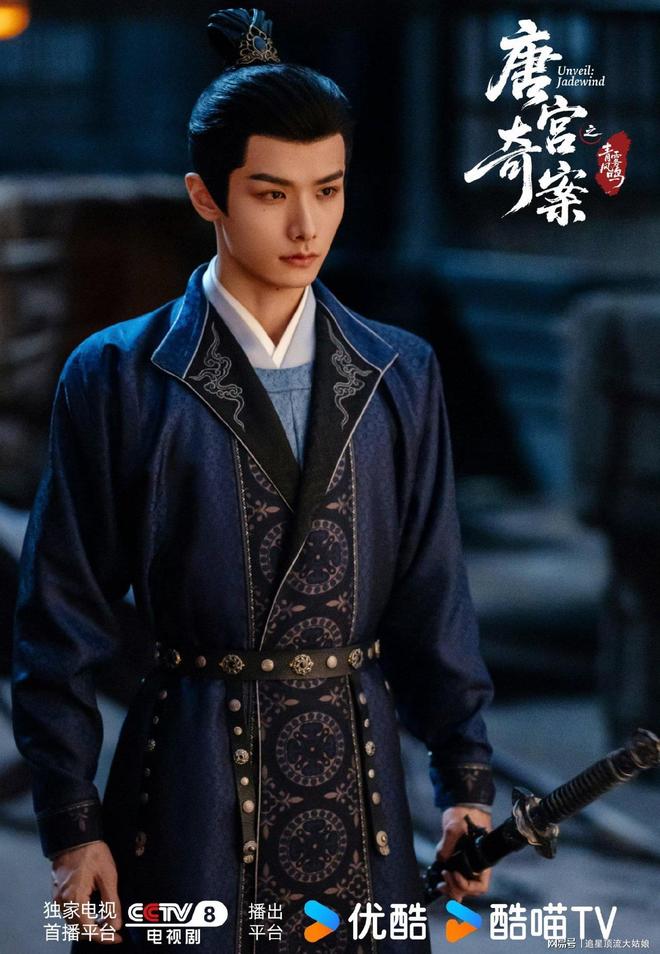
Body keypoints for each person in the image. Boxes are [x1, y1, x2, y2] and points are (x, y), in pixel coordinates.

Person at [12, 9, 495, 952]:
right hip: (187, 780)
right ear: (207, 197)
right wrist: (72, 826)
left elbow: (433, 594)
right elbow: (58, 620)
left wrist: (465, 781)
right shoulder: (117, 375)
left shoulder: (400, 371)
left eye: (329, 189)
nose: (307, 225)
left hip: (359, 779)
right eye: (272, 193)